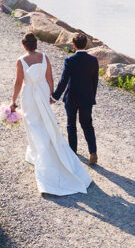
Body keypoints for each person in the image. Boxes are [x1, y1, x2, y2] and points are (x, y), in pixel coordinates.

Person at [10, 33, 93, 196]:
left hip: (28, 95)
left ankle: (40, 154)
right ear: (36, 44)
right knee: (46, 122)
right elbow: (50, 78)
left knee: (33, 124)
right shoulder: (44, 57)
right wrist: (50, 95)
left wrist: (13, 101)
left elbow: (18, 82)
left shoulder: (20, 61)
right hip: (42, 92)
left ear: (24, 45)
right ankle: (42, 151)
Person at [52, 33, 99, 165]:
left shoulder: (69, 60)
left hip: (71, 97)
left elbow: (63, 81)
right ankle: (93, 152)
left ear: (73, 45)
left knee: (71, 125)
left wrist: (55, 97)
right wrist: (92, 97)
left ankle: (73, 152)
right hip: (87, 98)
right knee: (87, 125)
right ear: (86, 45)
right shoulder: (93, 61)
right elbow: (94, 82)